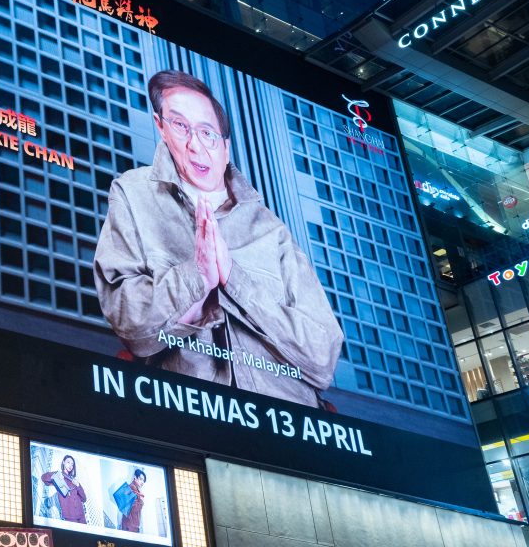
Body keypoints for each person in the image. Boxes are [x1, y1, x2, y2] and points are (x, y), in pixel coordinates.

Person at [93, 70, 343, 408]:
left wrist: (232, 277)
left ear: (226, 148)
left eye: (207, 133)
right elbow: (131, 326)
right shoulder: (132, 194)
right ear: (160, 126)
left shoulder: (270, 229)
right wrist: (197, 275)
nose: (195, 145)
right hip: (190, 415)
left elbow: (323, 358)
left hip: (288, 422)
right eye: (180, 126)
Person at [40, 455, 87, 523]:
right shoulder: (59, 475)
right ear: (63, 462)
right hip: (69, 517)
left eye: (72, 464)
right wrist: (56, 475)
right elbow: (43, 478)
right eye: (68, 462)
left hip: (81, 517)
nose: (70, 465)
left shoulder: (74, 481)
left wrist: (78, 485)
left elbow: (84, 499)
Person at [113, 468, 147, 533]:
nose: (142, 482)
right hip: (129, 526)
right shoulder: (132, 487)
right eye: (141, 479)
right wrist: (141, 500)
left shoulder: (136, 490)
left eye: (143, 480)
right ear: (135, 477)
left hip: (131, 525)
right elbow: (134, 508)